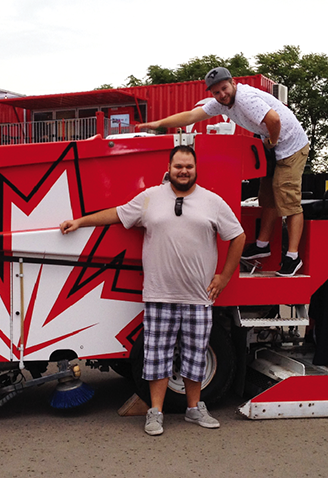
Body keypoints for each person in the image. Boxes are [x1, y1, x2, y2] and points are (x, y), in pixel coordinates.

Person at [60, 145, 245, 435]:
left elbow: (238, 236)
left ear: (196, 170)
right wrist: (80, 222)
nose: (183, 171)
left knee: (196, 355)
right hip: (160, 295)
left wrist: (224, 276)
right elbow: (117, 214)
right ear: (169, 168)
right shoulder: (150, 198)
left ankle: (194, 410)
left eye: (189, 167)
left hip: (198, 296)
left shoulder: (213, 202)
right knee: (157, 356)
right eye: (178, 166)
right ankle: (155, 412)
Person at [137, 67, 310, 276]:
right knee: (268, 197)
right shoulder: (222, 103)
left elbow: (274, 120)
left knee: (287, 198)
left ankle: (293, 257)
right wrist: (159, 124)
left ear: (233, 83)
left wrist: (271, 142)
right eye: (216, 92)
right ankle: (263, 246)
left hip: (291, 145)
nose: (222, 95)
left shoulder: (245, 98)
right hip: (275, 145)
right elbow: (192, 115)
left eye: (224, 89)